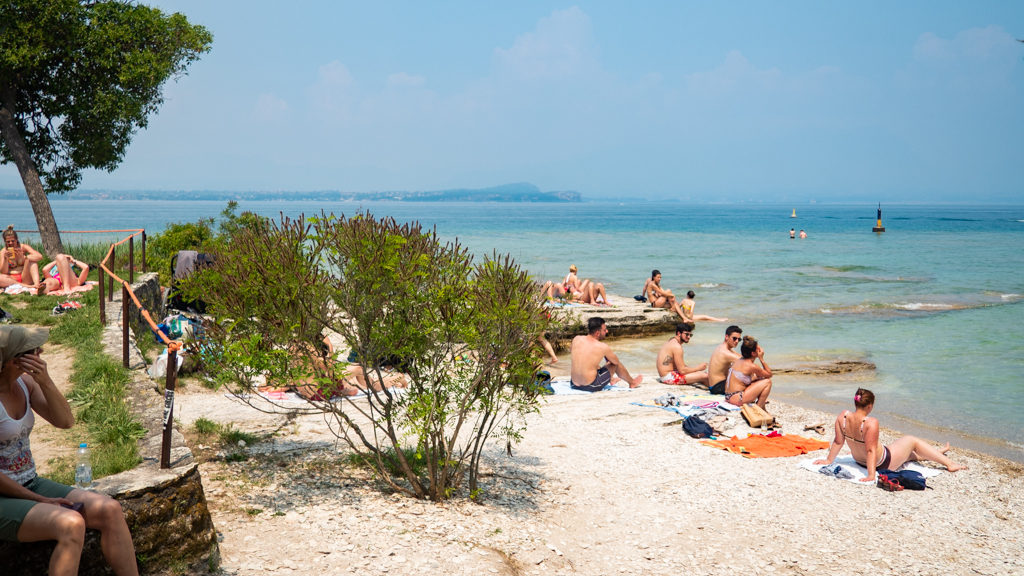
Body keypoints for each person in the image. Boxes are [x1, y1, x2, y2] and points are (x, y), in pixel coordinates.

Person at [0, 326, 139, 576]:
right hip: (4, 495)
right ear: (13, 360)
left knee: (110, 510)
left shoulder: (25, 383)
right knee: (71, 524)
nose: (41, 352)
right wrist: (41, 500)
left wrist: (45, 381)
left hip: (29, 482)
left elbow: (65, 421)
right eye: (34, 350)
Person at [814, 388, 966, 482]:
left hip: (859, 461)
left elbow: (838, 442)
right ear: (870, 406)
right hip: (883, 462)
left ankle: (937, 452)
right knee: (911, 440)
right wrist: (871, 475)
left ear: (855, 403)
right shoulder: (870, 422)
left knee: (910, 455)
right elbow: (871, 450)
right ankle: (950, 464)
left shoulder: (843, 416)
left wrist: (828, 460)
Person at [569, 317, 642, 391]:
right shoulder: (602, 346)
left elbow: (574, 352)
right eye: (604, 330)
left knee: (589, 363)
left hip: (574, 384)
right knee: (614, 364)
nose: (607, 331)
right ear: (597, 333)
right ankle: (632, 382)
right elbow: (616, 362)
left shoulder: (576, 339)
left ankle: (611, 379)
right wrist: (608, 361)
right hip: (591, 386)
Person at [723, 335, 773, 409]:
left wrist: (757, 377)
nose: (760, 349)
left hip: (729, 396)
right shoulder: (751, 366)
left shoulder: (740, 360)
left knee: (759, 378)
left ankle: (762, 407)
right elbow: (769, 374)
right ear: (753, 353)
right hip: (737, 398)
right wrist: (761, 359)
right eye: (758, 348)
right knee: (767, 382)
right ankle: (758, 408)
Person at [656, 322, 708, 386]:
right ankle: (714, 390)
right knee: (705, 376)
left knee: (700, 374)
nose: (689, 337)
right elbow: (682, 371)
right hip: (669, 377)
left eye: (690, 335)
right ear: (679, 333)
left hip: (665, 376)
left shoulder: (671, 342)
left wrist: (696, 371)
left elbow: (668, 362)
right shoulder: (677, 347)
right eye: (687, 334)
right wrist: (698, 368)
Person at [0, 226, 44, 291]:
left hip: (25, 277)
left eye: (12, 241)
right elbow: (3, 272)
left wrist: (25, 258)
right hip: (11, 279)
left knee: (32, 261)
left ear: (16, 239)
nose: (10, 243)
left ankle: (37, 285)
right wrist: (5, 259)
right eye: (8, 242)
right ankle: (30, 286)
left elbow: (40, 256)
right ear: (5, 242)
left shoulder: (23, 247)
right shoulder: (3, 252)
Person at [708, 325, 742, 395]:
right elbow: (747, 362)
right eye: (734, 338)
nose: (737, 341)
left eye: (739, 339)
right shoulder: (725, 352)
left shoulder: (723, 348)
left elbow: (741, 357)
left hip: (715, 386)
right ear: (726, 337)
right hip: (718, 388)